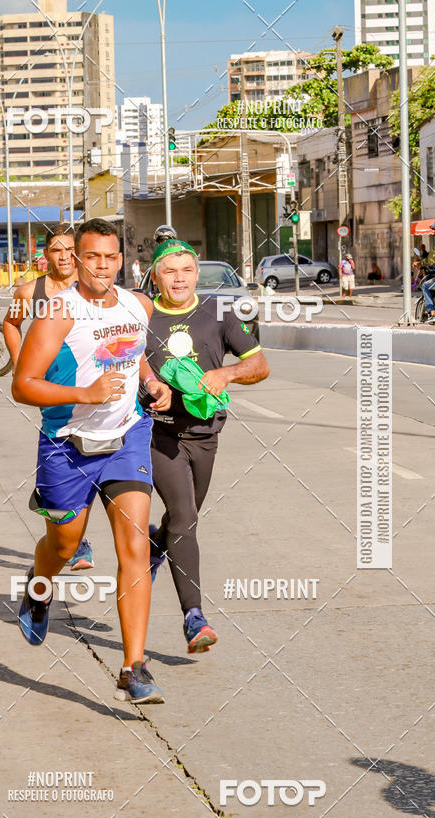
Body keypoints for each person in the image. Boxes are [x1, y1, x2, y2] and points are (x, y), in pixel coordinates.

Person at [12, 218, 172, 704]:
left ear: (121, 258)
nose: (102, 265)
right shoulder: (59, 312)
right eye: (92, 257)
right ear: (77, 260)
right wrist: (85, 392)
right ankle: (39, 588)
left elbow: (134, 353)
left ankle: (133, 667)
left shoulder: (137, 304)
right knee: (63, 546)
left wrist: (152, 383)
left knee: (135, 550)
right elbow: (22, 385)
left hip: (127, 437)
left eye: (110, 256)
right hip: (68, 443)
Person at [142, 238, 269, 652]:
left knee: (185, 516)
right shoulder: (142, 315)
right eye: (169, 271)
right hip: (158, 433)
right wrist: (151, 385)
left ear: (196, 274)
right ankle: (194, 617)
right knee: (185, 517)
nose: (178, 278)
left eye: (186, 271)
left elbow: (259, 364)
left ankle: (152, 546)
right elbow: (123, 360)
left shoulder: (218, 312)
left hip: (206, 435)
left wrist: (227, 375)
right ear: (155, 276)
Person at [3, 222, 93, 571]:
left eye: (71, 249)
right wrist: (18, 364)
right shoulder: (30, 293)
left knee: (92, 464)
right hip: (52, 391)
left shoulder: (91, 289)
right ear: (46, 255)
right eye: (57, 249)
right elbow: (11, 324)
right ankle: (77, 540)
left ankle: (75, 538)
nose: (66, 256)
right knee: (67, 461)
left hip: (92, 390)